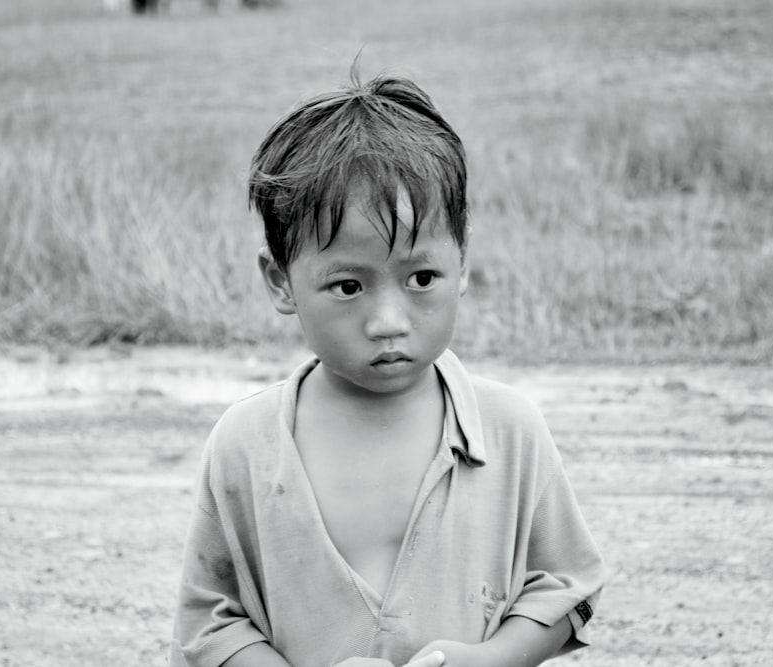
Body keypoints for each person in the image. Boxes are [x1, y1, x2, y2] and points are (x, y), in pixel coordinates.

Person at [169, 69, 606, 667]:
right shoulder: (246, 445)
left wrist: (494, 657)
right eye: (348, 286)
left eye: (422, 279)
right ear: (280, 281)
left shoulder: (510, 430)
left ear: (464, 261)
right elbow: (207, 624)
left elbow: (567, 585)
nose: (388, 320)